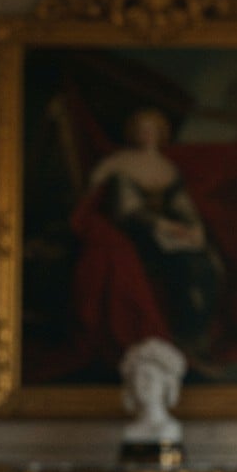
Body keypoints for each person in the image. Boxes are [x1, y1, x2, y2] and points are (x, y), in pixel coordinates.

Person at [85, 108, 224, 371]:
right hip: (136, 232)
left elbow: (183, 205)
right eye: (141, 128)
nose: (146, 133)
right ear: (133, 133)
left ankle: (197, 337)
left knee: (210, 265)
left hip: (168, 231)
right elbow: (126, 210)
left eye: (152, 129)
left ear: (161, 134)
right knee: (187, 265)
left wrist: (194, 228)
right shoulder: (119, 161)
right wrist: (167, 227)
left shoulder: (167, 167)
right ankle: (185, 339)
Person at [119, 337, 188, 445]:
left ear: (165, 384)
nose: (141, 385)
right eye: (137, 378)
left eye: (149, 377)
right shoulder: (130, 432)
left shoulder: (169, 429)